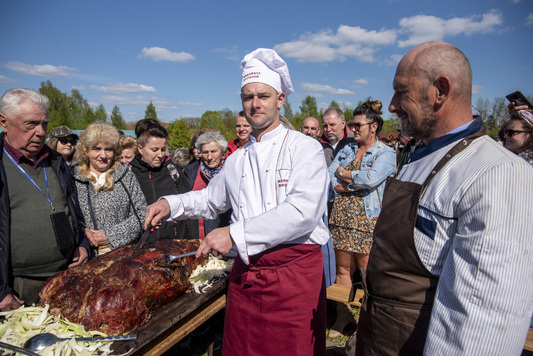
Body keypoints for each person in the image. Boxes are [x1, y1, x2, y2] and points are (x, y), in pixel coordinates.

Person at [145, 48, 330, 355]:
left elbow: (302, 213)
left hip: (293, 277)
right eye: (248, 97)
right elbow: (210, 199)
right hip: (247, 276)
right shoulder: (237, 159)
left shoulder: (304, 148)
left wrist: (233, 233)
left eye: (264, 96)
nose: (255, 104)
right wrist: (170, 204)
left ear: (280, 100)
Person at [355, 41, 533, 356]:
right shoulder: (419, 156)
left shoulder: (497, 173)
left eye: (401, 91)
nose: (392, 105)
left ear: (441, 90)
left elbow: (483, 319)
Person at [0, 88, 89, 310]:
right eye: (31, 124)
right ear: (3, 122)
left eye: (44, 124)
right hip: (19, 286)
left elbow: (74, 210)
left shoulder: (56, 162)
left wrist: (83, 244)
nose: (40, 132)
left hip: (66, 275)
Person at [327, 99, 395, 338]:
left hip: (367, 220)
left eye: (358, 125)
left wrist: (344, 177)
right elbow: (329, 176)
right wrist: (349, 182)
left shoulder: (386, 153)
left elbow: (371, 179)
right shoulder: (346, 149)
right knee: (343, 271)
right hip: (341, 217)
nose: (353, 129)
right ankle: (343, 319)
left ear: (373, 126)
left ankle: (369, 323)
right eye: (353, 125)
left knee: (368, 274)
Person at [71, 122, 146, 255]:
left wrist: (110, 236)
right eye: (96, 149)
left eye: (108, 149)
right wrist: (83, 232)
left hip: (121, 254)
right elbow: (67, 215)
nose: (103, 155)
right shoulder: (73, 177)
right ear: (86, 150)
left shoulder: (125, 176)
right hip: (84, 255)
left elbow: (141, 215)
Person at [129, 119, 197, 241]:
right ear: (140, 148)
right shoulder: (129, 174)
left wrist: (192, 240)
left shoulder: (173, 171)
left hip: (175, 244)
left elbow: (189, 208)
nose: (160, 155)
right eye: (154, 150)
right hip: (142, 248)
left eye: (163, 149)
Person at [183, 131, 231, 240]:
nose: (209, 157)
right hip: (194, 238)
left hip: (221, 239)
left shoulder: (231, 171)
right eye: (205, 152)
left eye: (213, 151)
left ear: (222, 151)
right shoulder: (190, 171)